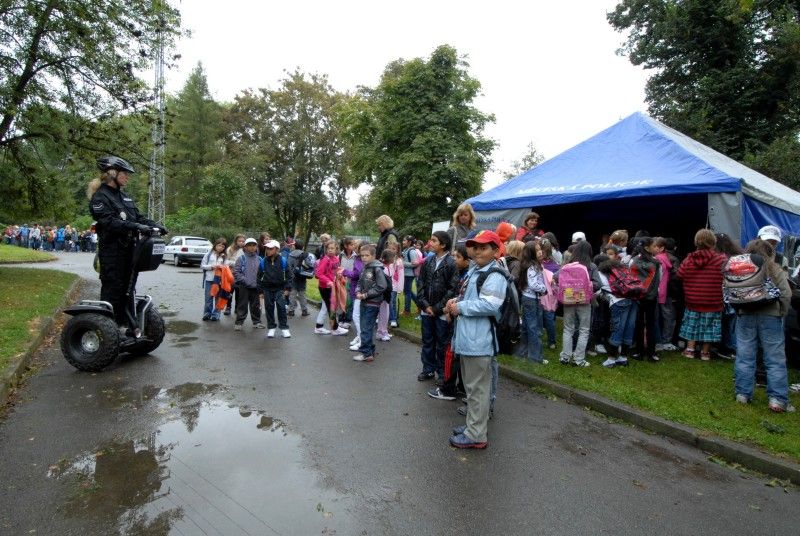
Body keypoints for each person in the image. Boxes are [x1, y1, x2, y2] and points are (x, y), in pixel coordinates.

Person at [445, 230, 507, 449]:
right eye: (476, 247)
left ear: (496, 250)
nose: (478, 251)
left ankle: (476, 434)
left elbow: (490, 305)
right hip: (470, 339)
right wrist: (455, 301)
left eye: (484, 247)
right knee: (472, 389)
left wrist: (459, 307)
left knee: (478, 390)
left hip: (479, 342)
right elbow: (471, 298)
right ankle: (473, 425)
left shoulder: (495, 275)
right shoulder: (477, 270)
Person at [88, 156, 165, 324]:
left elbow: (138, 217)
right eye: (125, 174)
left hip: (130, 251)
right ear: (112, 173)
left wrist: (154, 225)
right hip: (112, 253)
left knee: (128, 289)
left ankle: (125, 324)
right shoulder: (100, 197)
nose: (127, 177)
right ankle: (107, 327)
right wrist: (136, 227)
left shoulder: (124, 197)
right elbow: (109, 222)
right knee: (113, 290)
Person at [734, 239, 794, 412]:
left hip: (745, 314)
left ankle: (742, 394)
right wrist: (781, 311)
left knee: (745, 355)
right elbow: (786, 293)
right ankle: (777, 399)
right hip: (770, 315)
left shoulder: (740, 267)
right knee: (775, 359)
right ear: (770, 252)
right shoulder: (774, 269)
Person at [415, 230, 459, 383]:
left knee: (441, 342)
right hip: (427, 310)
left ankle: (441, 372)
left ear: (443, 244)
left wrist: (437, 308)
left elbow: (452, 289)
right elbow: (420, 283)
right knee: (427, 340)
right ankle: (428, 369)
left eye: (434, 240)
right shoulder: (428, 261)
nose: (430, 242)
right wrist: (425, 305)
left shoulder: (451, 263)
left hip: (441, 311)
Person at [677, 230, 726, 361]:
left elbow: (680, 274)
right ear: (713, 242)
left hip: (692, 300)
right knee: (709, 327)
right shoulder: (721, 259)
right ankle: (705, 353)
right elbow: (727, 275)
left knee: (692, 324)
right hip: (713, 300)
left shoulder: (689, 259)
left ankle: (690, 350)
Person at [554, 240, 601, 367]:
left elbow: (555, 277)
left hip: (569, 298)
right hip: (584, 300)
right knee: (584, 330)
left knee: (568, 328)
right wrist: (588, 286)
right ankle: (578, 359)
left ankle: (565, 357)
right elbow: (598, 284)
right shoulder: (591, 266)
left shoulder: (568, 266)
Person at [354, 244, 388, 362]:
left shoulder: (377, 268)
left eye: (367, 255)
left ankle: (366, 353)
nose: (364, 258)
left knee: (366, 328)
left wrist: (366, 295)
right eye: (362, 255)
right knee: (365, 327)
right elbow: (360, 282)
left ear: (373, 256)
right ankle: (370, 350)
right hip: (364, 301)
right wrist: (358, 291)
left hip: (372, 303)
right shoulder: (365, 267)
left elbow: (382, 286)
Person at [631, 236, 663, 362]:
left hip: (637, 295)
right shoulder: (657, 263)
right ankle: (651, 352)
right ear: (647, 247)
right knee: (651, 323)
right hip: (651, 296)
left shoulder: (633, 261)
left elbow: (630, 278)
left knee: (638, 323)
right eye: (653, 245)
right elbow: (659, 279)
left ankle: (639, 351)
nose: (655, 247)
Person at [517, 241, 547, 364]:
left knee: (526, 327)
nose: (540, 251)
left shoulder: (527, 265)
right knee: (534, 328)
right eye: (537, 249)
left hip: (527, 297)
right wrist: (544, 288)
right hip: (531, 299)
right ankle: (535, 357)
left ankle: (522, 352)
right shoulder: (533, 267)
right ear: (531, 253)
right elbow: (534, 284)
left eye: (540, 249)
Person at [259, 239, 292, 338]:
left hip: (280, 289)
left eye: (270, 248)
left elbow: (289, 275)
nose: (268, 250)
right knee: (269, 308)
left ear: (277, 249)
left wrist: (287, 289)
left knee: (281, 308)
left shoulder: (283, 261)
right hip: (267, 289)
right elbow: (258, 276)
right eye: (267, 248)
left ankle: (284, 328)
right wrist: (260, 291)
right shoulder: (263, 261)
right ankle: (271, 328)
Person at [315, 240, 348, 335]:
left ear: (336, 249)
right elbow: (319, 274)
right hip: (325, 287)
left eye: (332, 248)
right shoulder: (325, 259)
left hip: (332, 286)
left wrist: (339, 274)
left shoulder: (336, 259)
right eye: (328, 248)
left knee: (326, 307)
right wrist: (328, 281)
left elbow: (334, 270)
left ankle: (318, 327)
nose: (330, 250)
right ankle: (335, 328)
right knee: (331, 308)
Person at [233, 238, 265, 331]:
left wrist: (260, 283)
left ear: (256, 247)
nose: (252, 247)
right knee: (242, 305)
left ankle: (257, 322)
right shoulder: (241, 258)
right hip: (244, 286)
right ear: (245, 247)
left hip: (256, 287)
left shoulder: (259, 259)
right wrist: (244, 280)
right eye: (249, 245)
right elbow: (236, 272)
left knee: (256, 306)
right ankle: (239, 323)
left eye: (254, 245)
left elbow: (262, 273)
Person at [200, 238, 227, 321]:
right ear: (215, 245)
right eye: (219, 245)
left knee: (218, 298)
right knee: (208, 298)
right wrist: (211, 267)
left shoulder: (224, 256)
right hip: (209, 279)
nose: (220, 247)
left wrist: (222, 267)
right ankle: (207, 313)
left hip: (220, 280)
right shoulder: (208, 254)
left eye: (223, 246)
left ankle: (216, 314)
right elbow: (202, 265)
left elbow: (227, 267)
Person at [287, 239, 312, 317]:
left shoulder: (291, 254)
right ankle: (304, 310)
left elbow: (288, 266)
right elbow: (308, 265)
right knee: (302, 294)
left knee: (292, 294)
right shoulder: (305, 254)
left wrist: (290, 275)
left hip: (293, 277)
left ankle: (291, 311)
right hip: (302, 277)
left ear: (294, 246)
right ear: (303, 247)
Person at [225, 234, 246, 316]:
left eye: (243, 241)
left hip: (240, 274)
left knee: (239, 292)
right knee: (229, 291)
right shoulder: (230, 249)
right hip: (230, 273)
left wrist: (236, 264)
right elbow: (226, 261)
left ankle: (237, 308)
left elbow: (244, 263)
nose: (241, 243)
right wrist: (235, 263)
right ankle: (228, 307)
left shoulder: (245, 250)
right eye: (239, 241)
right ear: (236, 241)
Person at [401, 235, 422, 316]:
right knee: (408, 291)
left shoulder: (412, 251)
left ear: (409, 242)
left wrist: (402, 263)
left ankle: (407, 311)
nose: (403, 242)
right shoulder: (406, 250)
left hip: (409, 275)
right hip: (406, 274)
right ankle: (420, 305)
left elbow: (414, 264)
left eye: (404, 240)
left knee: (407, 292)